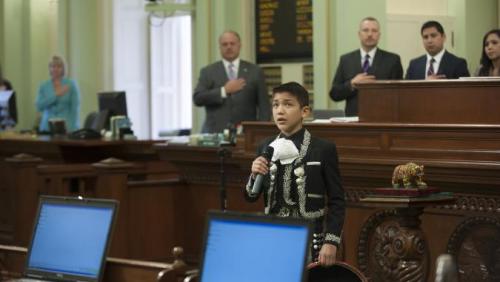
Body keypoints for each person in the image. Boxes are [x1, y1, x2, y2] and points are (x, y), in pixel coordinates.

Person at [245, 82, 345, 267]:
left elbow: (337, 200)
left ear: (304, 111)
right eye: (275, 105)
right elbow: (251, 197)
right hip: (273, 234)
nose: (280, 111)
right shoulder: (265, 147)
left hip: (309, 236)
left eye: (287, 104)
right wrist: (253, 175)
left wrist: (331, 242)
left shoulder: (322, 148)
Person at [193, 30, 271, 133]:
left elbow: (264, 106)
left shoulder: (255, 71)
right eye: (225, 44)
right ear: (220, 48)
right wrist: (224, 91)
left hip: (246, 134)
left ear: (239, 45)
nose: (229, 47)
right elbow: (198, 98)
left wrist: (260, 132)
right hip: (215, 134)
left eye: (232, 43)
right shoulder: (208, 71)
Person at [329, 17, 403, 117]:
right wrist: (351, 84)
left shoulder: (392, 60)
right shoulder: (346, 60)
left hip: (384, 120)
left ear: (379, 35)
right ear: (359, 34)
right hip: (353, 121)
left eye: (374, 31)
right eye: (365, 30)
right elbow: (334, 94)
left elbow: (400, 95)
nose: (369, 34)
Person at [406, 21, 470, 79]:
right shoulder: (414, 65)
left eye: (433, 36)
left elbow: (466, 90)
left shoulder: (458, 64)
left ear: (444, 37)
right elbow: (405, 91)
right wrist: (426, 84)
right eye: (425, 37)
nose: (429, 41)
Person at [36, 55, 80, 132]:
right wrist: (56, 95)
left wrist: (71, 128)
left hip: (67, 126)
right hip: (47, 127)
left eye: (59, 66)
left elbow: (74, 109)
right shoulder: (43, 85)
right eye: (53, 66)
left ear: (63, 69)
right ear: (49, 68)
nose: (55, 69)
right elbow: (39, 106)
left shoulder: (71, 85)